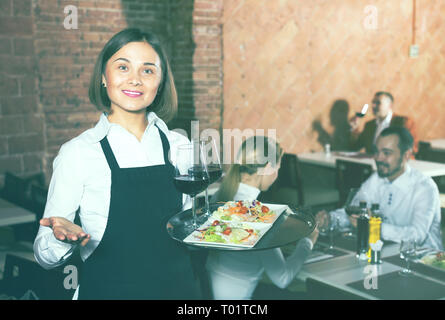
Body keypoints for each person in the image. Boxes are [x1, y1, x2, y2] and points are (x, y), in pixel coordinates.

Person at [33, 28, 201, 299]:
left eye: (148, 71)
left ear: (160, 82)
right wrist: (60, 235)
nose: (135, 79)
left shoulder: (182, 147)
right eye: (123, 67)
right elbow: (44, 256)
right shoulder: (78, 153)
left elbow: (193, 229)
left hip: (180, 291)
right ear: (103, 77)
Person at [206, 136, 319, 300]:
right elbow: (282, 278)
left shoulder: (219, 196)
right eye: (278, 168)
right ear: (267, 168)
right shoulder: (259, 216)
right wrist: (308, 242)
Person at [317, 126, 443, 251]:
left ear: (406, 155)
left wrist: (374, 226)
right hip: (387, 252)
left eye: (386, 153)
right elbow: (355, 212)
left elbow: (416, 236)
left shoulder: (425, 188)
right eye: (376, 152)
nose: (378, 158)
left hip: (425, 260)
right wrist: (330, 220)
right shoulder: (376, 179)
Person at [349, 91, 418, 154]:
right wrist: (354, 129)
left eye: (378, 103)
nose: (373, 106)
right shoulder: (369, 125)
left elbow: (412, 149)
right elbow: (354, 147)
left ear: (390, 105)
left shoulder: (403, 123)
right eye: (373, 102)